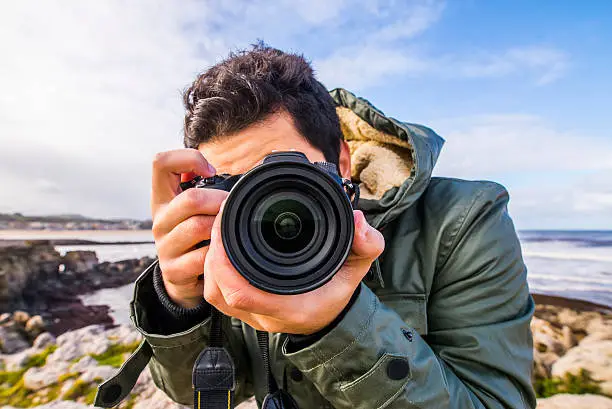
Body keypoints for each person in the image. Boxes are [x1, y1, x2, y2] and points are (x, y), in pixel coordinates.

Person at [96, 44, 536, 409]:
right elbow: (206, 393)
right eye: (234, 187)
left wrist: (337, 325)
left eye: (285, 174)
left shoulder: (461, 219)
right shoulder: (225, 239)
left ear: (342, 161)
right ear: (205, 187)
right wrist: (179, 302)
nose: (261, 203)